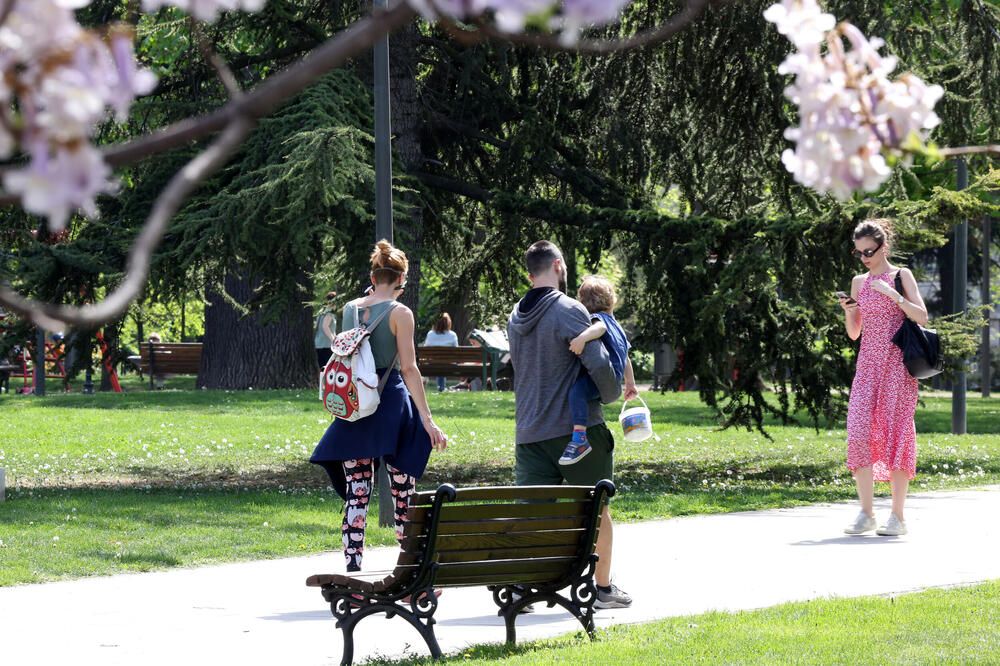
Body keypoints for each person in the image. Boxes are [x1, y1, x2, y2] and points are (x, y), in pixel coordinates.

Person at [507, 240, 632, 609]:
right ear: (559, 266)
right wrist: (612, 394)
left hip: (529, 432)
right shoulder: (570, 310)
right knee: (598, 510)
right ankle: (603, 589)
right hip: (577, 431)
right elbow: (600, 370)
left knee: (531, 512)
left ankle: (520, 587)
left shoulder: (516, 315)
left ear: (531, 275)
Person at [310, 240, 447, 572]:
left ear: (373, 275)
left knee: (358, 492)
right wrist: (428, 420)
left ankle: (353, 566)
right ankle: (410, 565)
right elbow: (410, 369)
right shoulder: (401, 314)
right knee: (403, 492)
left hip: (358, 405)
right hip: (392, 405)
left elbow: (350, 359)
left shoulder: (350, 310)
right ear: (401, 279)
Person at [839, 219, 927, 537]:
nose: (863, 257)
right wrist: (850, 309)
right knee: (859, 430)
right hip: (867, 366)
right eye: (859, 252)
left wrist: (892, 293)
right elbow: (854, 333)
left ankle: (898, 517)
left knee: (897, 433)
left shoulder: (901, 276)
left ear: (883, 248)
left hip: (897, 367)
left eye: (869, 251)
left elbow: (922, 316)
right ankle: (866, 513)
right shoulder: (858, 281)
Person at [560, 275, 639, 465]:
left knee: (577, 392)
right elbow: (626, 357)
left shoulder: (599, 319)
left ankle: (579, 439)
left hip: (603, 376)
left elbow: (599, 328)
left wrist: (582, 339)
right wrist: (630, 383)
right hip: (615, 376)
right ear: (612, 300)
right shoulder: (618, 326)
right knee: (586, 395)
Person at [422, 313, 459, 391]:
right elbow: (456, 350)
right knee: (443, 362)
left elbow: (426, 347)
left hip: (432, 363)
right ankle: (441, 388)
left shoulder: (430, 334)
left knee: (439, 362)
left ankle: (441, 388)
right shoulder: (452, 335)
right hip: (449, 363)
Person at [315, 291, 338, 368]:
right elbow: (325, 326)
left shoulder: (321, 310)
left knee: (322, 370)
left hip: (318, 345)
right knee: (329, 370)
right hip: (327, 346)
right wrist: (334, 340)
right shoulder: (330, 312)